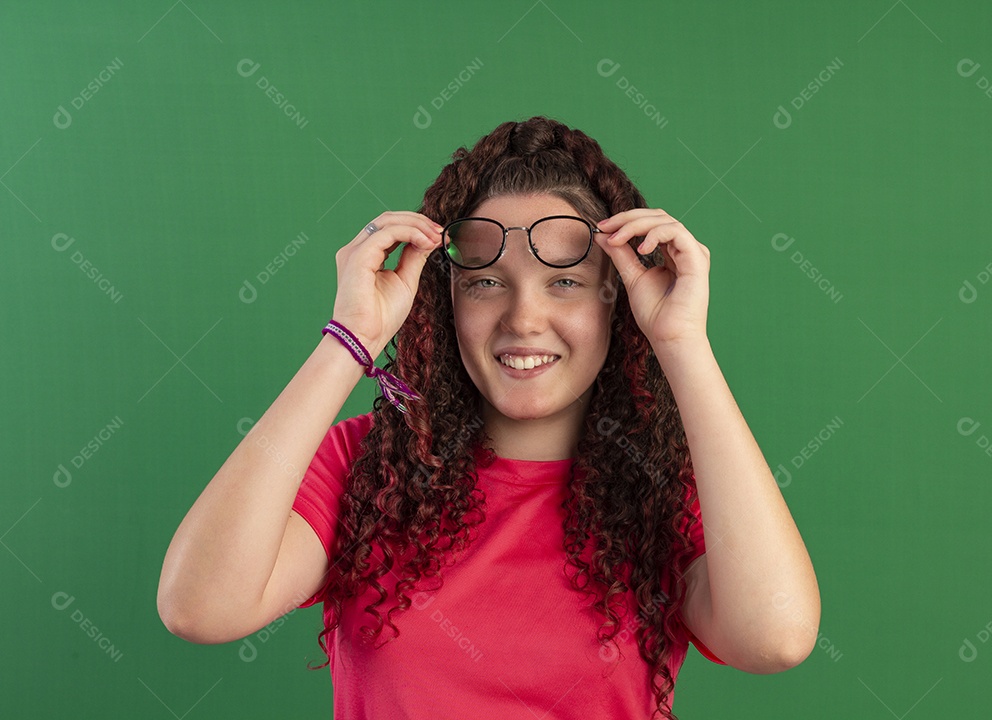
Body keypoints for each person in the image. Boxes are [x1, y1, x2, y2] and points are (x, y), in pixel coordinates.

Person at [157, 116, 820, 719]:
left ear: (614, 299)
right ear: (447, 301)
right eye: (485, 282)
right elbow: (200, 608)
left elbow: (776, 637)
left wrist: (681, 341)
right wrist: (348, 337)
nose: (523, 319)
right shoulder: (366, 466)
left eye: (563, 282)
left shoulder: (660, 488)